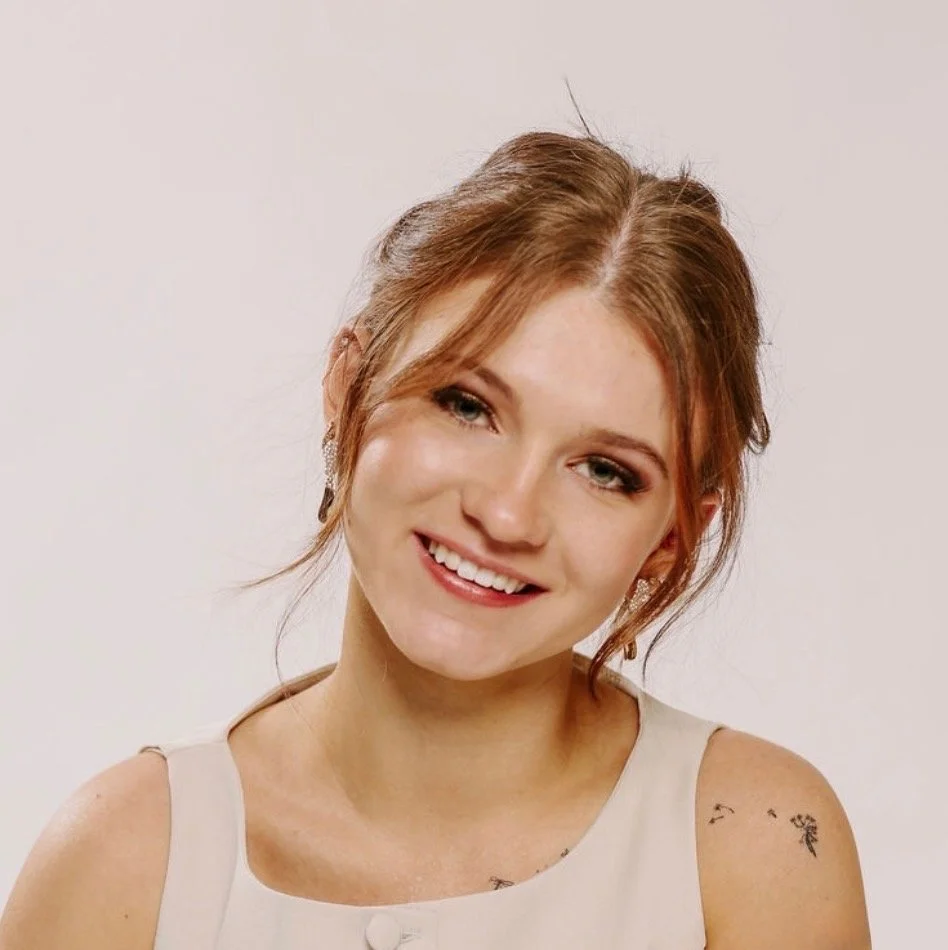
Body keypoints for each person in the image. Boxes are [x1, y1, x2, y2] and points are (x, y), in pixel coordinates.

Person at [0, 131, 871, 949]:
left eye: (605, 471)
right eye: (467, 406)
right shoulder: (125, 863)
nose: (508, 516)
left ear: (672, 540)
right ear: (349, 386)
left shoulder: (753, 845)